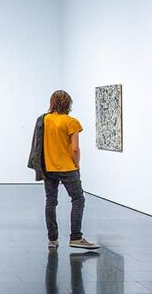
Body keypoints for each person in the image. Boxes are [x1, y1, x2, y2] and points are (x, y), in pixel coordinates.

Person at [28, 90, 100, 250]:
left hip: (48, 167)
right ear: (68, 104)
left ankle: (52, 239)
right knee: (78, 199)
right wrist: (77, 164)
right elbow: (75, 149)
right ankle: (76, 237)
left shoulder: (44, 120)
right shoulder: (71, 122)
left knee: (51, 201)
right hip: (67, 167)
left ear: (52, 102)